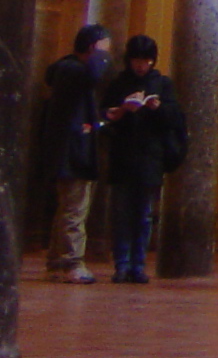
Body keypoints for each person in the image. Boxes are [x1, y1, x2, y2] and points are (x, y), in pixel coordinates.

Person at [98, 35, 186, 283]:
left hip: (150, 157)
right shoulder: (118, 83)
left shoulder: (162, 84)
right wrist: (119, 112)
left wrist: (157, 109)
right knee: (121, 213)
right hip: (123, 156)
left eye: (146, 61)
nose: (141, 66)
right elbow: (105, 115)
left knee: (145, 214)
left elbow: (176, 119)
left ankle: (138, 265)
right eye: (137, 60)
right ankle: (121, 264)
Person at [35, 25, 111, 283]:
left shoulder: (67, 71)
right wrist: (101, 55)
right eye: (103, 47)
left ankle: (57, 261)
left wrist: (101, 118)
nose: (107, 54)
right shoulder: (73, 70)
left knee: (67, 208)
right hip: (72, 153)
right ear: (92, 46)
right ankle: (71, 262)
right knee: (74, 210)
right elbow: (93, 76)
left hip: (70, 150)